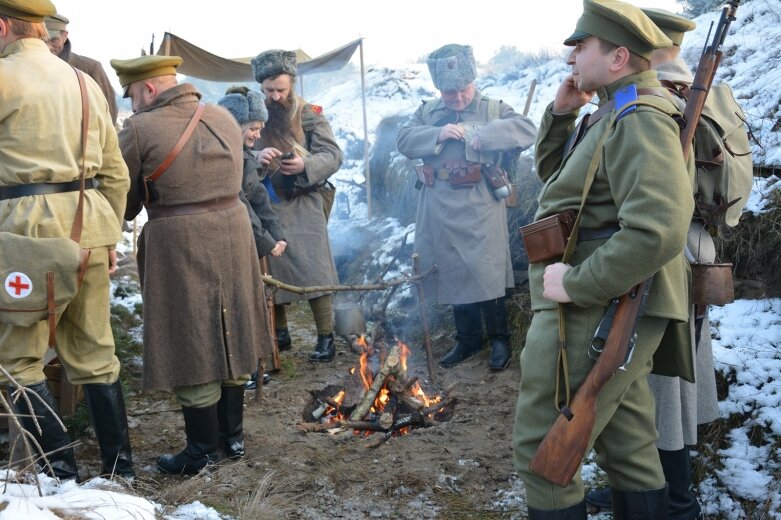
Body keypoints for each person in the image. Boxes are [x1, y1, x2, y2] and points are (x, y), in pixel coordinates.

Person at [511, 0, 695, 517]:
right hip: (602, 299)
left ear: (617, 58)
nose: (571, 56)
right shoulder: (613, 109)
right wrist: (561, 114)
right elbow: (560, 182)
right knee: (627, 443)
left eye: (582, 46)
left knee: (544, 451)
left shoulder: (638, 115)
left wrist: (578, 284)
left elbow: (659, 229)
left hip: (597, 302)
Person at [585, 9, 718, 519]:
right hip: (690, 251)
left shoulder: (653, 100)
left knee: (660, 390)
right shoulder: (694, 97)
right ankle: (650, 492)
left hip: (665, 258)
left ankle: (673, 502)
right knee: (665, 390)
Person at [110, 55, 272, 474]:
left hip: (179, 238)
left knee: (191, 334)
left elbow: (126, 204)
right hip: (235, 232)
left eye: (132, 94)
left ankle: (200, 451)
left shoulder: (139, 129)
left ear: (146, 89)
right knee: (232, 324)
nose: (133, 103)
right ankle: (231, 439)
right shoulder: (221, 116)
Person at [0, 0, 134, 481]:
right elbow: (116, 172)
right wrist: (110, 235)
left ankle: (59, 472)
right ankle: (121, 471)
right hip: (91, 225)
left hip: (26, 231)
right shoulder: (83, 82)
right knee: (97, 353)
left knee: (16, 359)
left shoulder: (4, 77)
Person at [395, 44, 537, 371]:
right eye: (448, 93)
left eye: (463, 89)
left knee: (486, 270)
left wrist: (482, 134)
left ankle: (499, 338)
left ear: (473, 81)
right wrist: (438, 133)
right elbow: (403, 140)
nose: (457, 97)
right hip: (439, 203)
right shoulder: (428, 112)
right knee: (452, 270)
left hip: (481, 202)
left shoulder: (492, 109)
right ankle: (468, 338)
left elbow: (527, 130)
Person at [250, 49, 343, 362]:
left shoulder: (309, 112)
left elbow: (333, 155)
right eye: (269, 91)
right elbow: (238, 151)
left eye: (281, 90)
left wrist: (305, 166)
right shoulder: (251, 115)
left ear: (292, 84)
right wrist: (256, 160)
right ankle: (280, 334)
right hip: (266, 206)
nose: (275, 97)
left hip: (304, 202)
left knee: (315, 268)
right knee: (270, 268)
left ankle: (326, 337)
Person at [217, 86, 287, 390]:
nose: (258, 134)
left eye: (260, 128)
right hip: (228, 240)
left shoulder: (243, 155)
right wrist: (267, 242)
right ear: (237, 125)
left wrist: (278, 234)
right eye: (254, 128)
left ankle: (243, 370)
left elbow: (258, 197)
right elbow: (243, 204)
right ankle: (239, 372)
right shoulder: (227, 156)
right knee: (234, 305)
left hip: (241, 239)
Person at [44, 13, 118, 125]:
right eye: (43, 41)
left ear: (64, 36)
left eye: (54, 40)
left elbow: (109, 113)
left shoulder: (90, 68)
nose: (48, 46)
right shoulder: (29, 67)